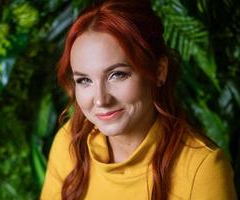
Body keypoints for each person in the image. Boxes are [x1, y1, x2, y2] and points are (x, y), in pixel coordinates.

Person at [40, 0, 237, 199]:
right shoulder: (69, 143)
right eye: (84, 80)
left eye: (117, 74)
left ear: (159, 71)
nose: (100, 100)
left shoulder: (203, 168)